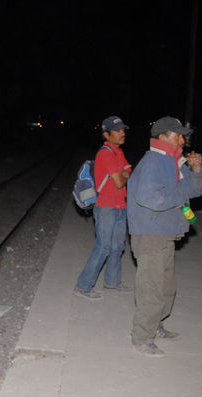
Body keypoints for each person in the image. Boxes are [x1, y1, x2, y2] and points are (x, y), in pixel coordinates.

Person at [127, 116, 202, 357]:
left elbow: (195, 189)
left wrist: (197, 169)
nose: (183, 140)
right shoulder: (153, 161)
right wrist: (180, 197)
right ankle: (142, 337)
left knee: (165, 287)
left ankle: (156, 326)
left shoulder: (174, 162)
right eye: (178, 135)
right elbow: (150, 198)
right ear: (163, 136)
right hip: (150, 234)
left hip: (165, 233)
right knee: (151, 288)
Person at [73, 115, 133, 301]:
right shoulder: (105, 154)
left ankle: (112, 282)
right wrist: (123, 174)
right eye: (118, 130)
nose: (122, 133)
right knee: (103, 247)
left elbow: (128, 172)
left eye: (123, 130)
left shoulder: (119, 152)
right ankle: (83, 286)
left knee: (118, 246)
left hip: (121, 206)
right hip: (106, 208)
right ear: (106, 134)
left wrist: (123, 174)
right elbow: (119, 181)